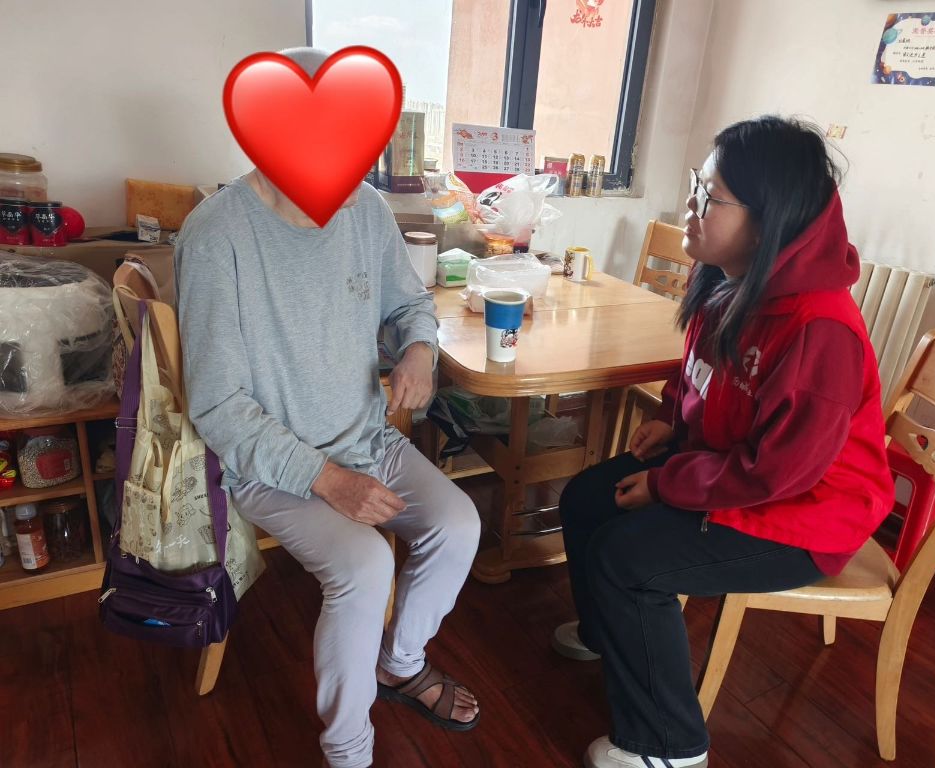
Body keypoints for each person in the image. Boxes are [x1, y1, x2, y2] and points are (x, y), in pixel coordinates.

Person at [551, 116, 895, 768]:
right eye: (696, 185)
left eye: (710, 196)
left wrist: (665, 484)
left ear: (766, 223)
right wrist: (673, 421)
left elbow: (778, 474)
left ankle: (669, 747)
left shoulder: (820, 329)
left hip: (805, 515)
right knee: (587, 498)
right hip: (728, 468)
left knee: (629, 560)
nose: (690, 205)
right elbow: (697, 374)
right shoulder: (724, 280)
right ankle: (609, 635)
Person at [175, 47, 481, 768]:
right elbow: (217, 406)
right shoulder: (216, 236)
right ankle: (348, 748)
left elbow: (409, 302)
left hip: (368, 441)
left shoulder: (365, 209)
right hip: (274, 469)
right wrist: (328, 480)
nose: (353, 179)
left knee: (459, 524)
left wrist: (418, 349)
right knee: (366, 566)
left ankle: (399, 664)